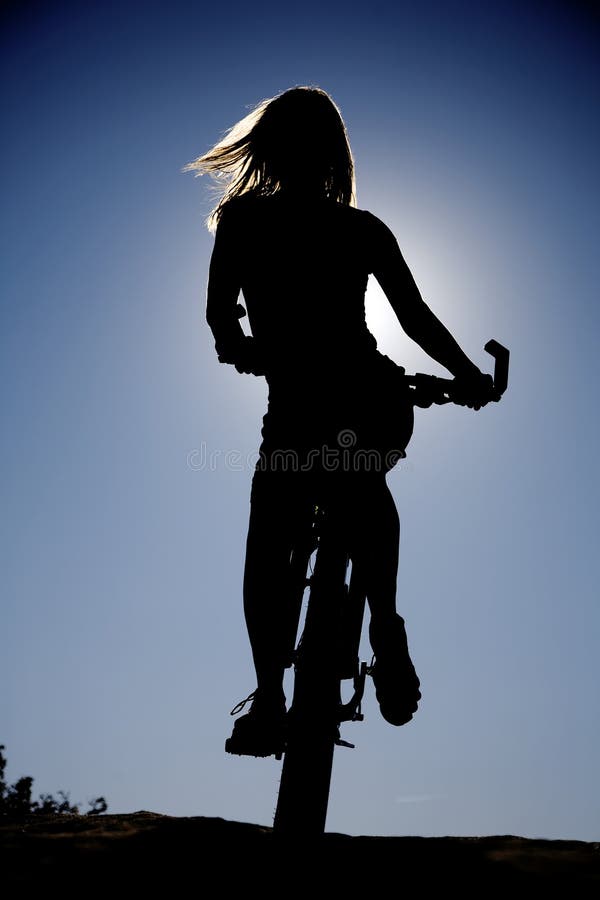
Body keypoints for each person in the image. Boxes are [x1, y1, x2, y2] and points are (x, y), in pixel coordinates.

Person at [187, 86, 494, 756]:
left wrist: (237, 346)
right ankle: (383, 623)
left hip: (301, 404)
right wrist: (469, 376)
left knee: (269, 540)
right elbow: (415, 321)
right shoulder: (359, 228)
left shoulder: (244, 221)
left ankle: (270, 698)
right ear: (336, 155)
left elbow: (219, 315)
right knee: (361, 481)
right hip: (365, 394)